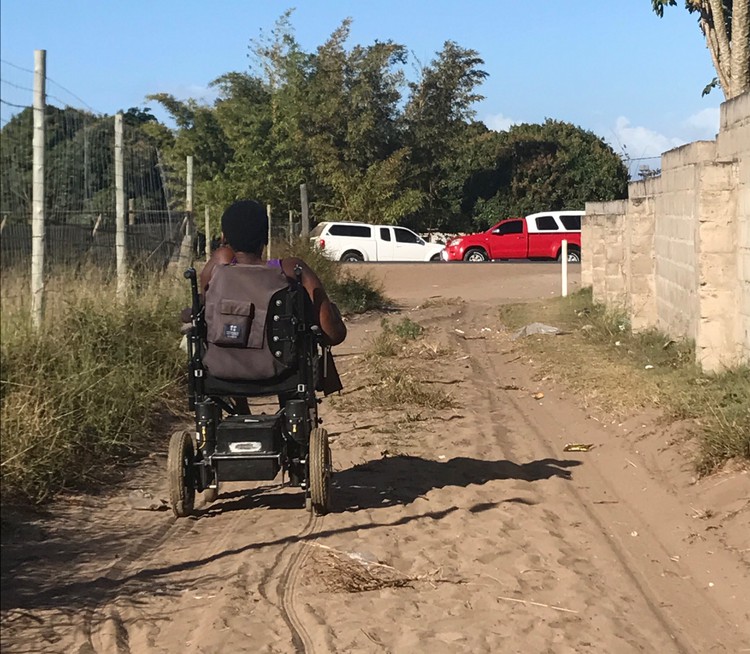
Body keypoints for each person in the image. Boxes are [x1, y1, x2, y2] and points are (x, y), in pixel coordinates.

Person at [201, 198, 347, 348]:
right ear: (265, 237)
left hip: (219, 367)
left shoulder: (218, 267)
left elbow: (203, 307)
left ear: (224, 237)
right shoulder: (291, 269)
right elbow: (333, 335)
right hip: (282, 369)